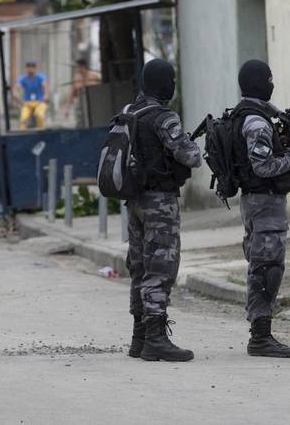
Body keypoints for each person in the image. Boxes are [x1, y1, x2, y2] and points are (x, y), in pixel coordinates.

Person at [230, 59, 290, 358]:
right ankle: (260, 336)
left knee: (262, 264)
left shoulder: (249, 115)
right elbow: (262, 167)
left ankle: (261, 332)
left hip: (257, 202)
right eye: (269, 79)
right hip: (264, 202)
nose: (272, 84)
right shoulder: (256, 122)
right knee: (266, 268)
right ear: (260, 82)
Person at [124, 59, 202, 362]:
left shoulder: (131, 112)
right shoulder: (163, 117)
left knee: (140, 266)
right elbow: (189, 156)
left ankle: (139, 337)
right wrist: (195, 148)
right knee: (160, 266)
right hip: (160, 202)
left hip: (134, 201)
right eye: (170, 79)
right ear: (163, 83)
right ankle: (156, 338)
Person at [63, 57, 102, 122]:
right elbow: (71, 95)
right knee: (81, 122)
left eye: (78, 67)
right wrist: (67, 109)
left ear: (83, 66)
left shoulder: (94, 77)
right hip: (80, 105)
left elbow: (101, 92)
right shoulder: (76, 78)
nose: (77, 69)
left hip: (93, 105)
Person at [14, 61, 50, 129]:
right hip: (28, 103)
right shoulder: (23, 79)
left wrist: (46, 95)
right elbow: (16, 88)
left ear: (35, 68)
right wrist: (16, 96)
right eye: (28, 67)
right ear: (26, 68)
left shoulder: (40, 77)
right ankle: (22, 133)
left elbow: (45, 86)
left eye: (32, 67)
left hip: (40, 101)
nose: (30, 69)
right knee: (23, 118)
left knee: (39, 115)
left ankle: (41, 131)